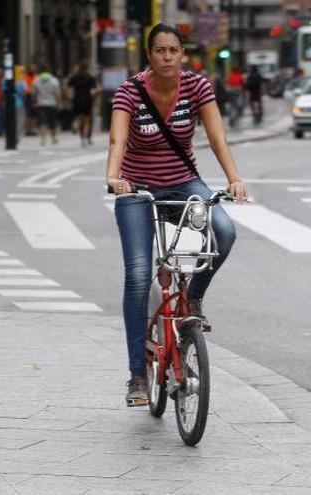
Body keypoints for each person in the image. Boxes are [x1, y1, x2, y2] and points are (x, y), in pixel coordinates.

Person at [106, 23, 248, 406]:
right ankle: (138, 374)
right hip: (137, 188)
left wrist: (234, 179)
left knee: (224, 232)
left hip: (185, 183)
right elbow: (118, 138)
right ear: (149, 55)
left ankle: (194, 299)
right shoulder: (130, 91)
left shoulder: (197, 87)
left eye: (173, 51)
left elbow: (217, 135)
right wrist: (114, 177)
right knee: (138, 275)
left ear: (182, 54)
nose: (167, 57)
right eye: (160, 51)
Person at [68, 62, 99, 146]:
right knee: (87, 120)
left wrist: (69, 97)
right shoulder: (90, 77)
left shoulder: (74, 77)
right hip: (87, 99)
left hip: (76, 99)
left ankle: (75, 123)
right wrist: (94, 97)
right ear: (87, 68)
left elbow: (67, 87)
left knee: (78, 116)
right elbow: (96, 89)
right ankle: (84, 139)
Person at [33, 64, 60, 145]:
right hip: (52, 103)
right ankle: (54, 138)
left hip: (41, 104)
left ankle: (43, 139)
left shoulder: (36, 80)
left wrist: (35, 101)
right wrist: (58, 102)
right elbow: (57, 93)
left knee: (43, 122)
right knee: (52, 122)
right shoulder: (54, 80)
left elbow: (34, 93)